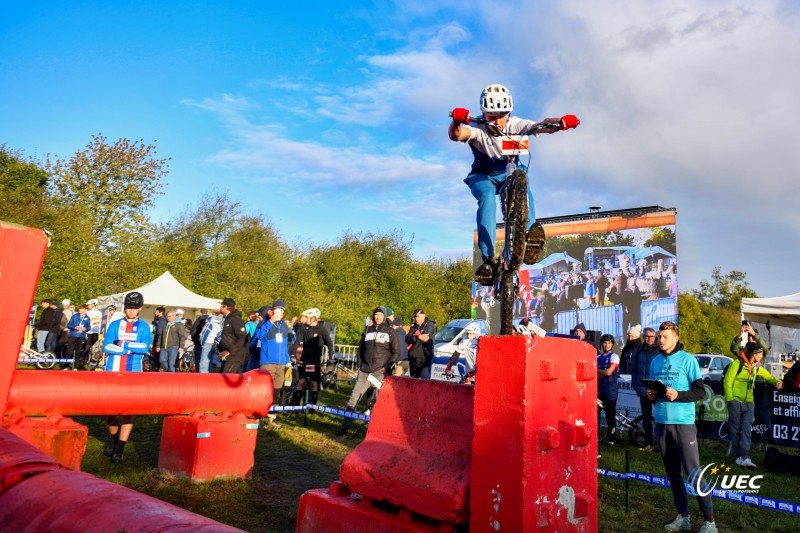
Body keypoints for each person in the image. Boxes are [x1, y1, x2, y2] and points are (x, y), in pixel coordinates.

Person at [449, 84, 579, 283]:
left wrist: (561, 123)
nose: (498, 121)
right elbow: (457, 134)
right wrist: (457, 121)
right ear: (483, 112)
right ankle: (487, 258)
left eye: (502, 115)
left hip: (509, 174)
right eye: (492, 116)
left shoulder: (516, 124)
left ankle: (530, 233)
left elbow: (543, 125)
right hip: (483, 176)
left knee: (522, 176)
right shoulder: (477, 128)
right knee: (486, 198)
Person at [646, 322, 717, 533]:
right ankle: (683, 517)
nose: (661, 340)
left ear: (675, 338)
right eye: (659, 336)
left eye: (665, 337)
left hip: (683, 424)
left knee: (693, 473)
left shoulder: (688, 360)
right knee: (673, 473)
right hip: (661, 423)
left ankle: (709, 521)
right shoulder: (656, 361)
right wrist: (653, 395)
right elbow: (656, 391)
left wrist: (679, 396)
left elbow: (700, 392)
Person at [102, 291, 152, 463]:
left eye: (135, 308)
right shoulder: (115, 324)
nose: (131, 311)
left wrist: (121, 343)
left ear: (140, 308)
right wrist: (128, 348)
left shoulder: (145, 327)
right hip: (113, 370)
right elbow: (107, 346)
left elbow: (144, 347)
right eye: (129, 308)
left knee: (129, 410)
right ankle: (113, 440)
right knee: (111, 409)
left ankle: (121, 447)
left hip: (134, 371)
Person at [337, 307, 400, 436]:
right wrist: (359, 364)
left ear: (384, 317)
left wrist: (387, 367)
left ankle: (377, 431)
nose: (377, 317)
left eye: (380, 315)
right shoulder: (367, 330)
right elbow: (360, 349)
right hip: (365, 371)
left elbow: (396, 352)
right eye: (376, 315)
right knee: (354, 398)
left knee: (378, 401)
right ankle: (345, 427)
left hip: (380, 371)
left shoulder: (390, 332)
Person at [724, 341, 783, 468]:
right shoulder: (736, 364)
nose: (762, 356)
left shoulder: (756, 366)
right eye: (760, 353)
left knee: (746, 430)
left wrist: (777, 382)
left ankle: (746, 457)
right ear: (753, 354)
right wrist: (731, 400)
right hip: (735, 401)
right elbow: (727, 382)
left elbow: (767, 376)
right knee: (735, 430)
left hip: (749, 403)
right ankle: (738, 456)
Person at [292, 308, 335, 407]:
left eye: (307, 317)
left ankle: (312, 406)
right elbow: (297, 342)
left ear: (313, 318)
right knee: (301, 382)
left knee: (314, 384)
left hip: (315, 359)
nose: (305, 319)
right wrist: (293, 355)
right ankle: (296, 405)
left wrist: (330, 357)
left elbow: (329, 343)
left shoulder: (322, 329)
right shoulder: (303, 328)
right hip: (305, 358)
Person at [254, 299, 291, 403]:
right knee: (265, 389)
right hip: (268, 362)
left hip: (281, 364)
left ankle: (272, 416)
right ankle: (260, 413)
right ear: (273, 311)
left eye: (282, 310)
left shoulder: (284, 325)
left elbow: (284, 345)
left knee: (276, 390)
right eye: (277, 310)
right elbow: (259, 335)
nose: (279, 313)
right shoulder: (264, 323)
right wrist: (271, 322)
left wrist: (287, 361)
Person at [630, 327, 660, 450]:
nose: (649, 339)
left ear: (655, 337)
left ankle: (660, 444)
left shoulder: (660, 351)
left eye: (652, 336)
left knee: (660, 418)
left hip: (658, 391)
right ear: (643, 337)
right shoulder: (637, 351)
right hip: (644, 391)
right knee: (646, 418)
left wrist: (658, 390)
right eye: (647, 336)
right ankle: (648, 443)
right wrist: (642, 390)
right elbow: (634, 373)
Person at [597, 334, 620, 446]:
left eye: (609, 343)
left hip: (610, 391)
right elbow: (601, 373)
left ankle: (611, 439)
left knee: (610, 417)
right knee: (594, 415)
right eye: (605, 343)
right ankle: (597, 436)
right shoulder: (598, 357)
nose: (607, 345)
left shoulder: (614, 356)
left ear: (612, 344)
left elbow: (608, 372)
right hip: (599, 390)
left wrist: (598, 371)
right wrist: (602, 373)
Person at [218, 297, 250, 374]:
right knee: (220, 379)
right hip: (227, 356)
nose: (220, 307)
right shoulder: (227, 319)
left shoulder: (236, 320)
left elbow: (242, 338)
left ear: (226, 307)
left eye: (221, 306)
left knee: (226, 380)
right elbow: (228, 336)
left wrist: (229, 351)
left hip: (235, 357)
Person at [405, 309, 435, 378]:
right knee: (413, 384)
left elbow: (425, 338)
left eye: (418, 316)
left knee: (424, 384)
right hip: (413, 359)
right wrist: (417, 337)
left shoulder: (429, 326)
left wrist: (415, 336)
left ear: (423, 316)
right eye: (415, 317)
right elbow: (407, 339)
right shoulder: (413, 327)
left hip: (424, 360)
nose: (416, 318)